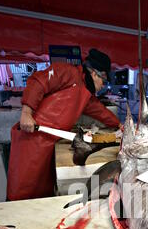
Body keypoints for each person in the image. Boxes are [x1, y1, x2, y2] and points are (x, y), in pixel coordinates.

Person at [7, 48, 121, 201]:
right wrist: (26, 113)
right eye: (104, 81)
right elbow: (38, 82)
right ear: (94, 74)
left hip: (49, 143)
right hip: (32, 140)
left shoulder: (86, 95)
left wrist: (119, 124)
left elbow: (101, 112)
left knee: (41, 194)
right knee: (22, 192)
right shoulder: (68, 72)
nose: (103, 86)